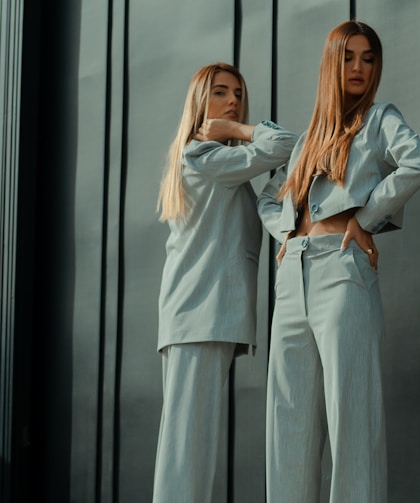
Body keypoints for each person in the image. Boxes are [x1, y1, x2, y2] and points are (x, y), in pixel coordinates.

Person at [257, 21, 420, 502]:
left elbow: (419, 161)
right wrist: (288, 231)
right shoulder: (307, 139)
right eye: (349, 57)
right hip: (292, 276)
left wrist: (367, 217)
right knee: (288, 423)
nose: (359, 67)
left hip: (342, 272)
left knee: (351, 419)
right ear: (331, 64)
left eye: (369, 58)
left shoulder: (379, 119)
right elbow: (269, 200)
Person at [153, 62, 297, 503]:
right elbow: (287, 143)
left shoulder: (215, 162)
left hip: (201, 317)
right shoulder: (206, 156)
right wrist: (241, 128)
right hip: (200, 315)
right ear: (200, 105)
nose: (232, 100)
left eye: (237, 93)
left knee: (190, 445)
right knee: (188, 451)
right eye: (220, 92)